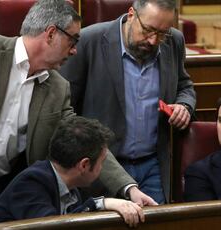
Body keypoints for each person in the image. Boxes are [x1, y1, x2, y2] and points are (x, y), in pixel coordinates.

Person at [0, 0, 152, 227]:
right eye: (73, 41)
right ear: (50, 34)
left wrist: (128, 188)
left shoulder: (58, 87)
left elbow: (84, 140)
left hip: (5, 187)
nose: (75, 51)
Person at [59, 0, 196, 204]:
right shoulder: (90, 41)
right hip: (100, 166)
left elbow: (184, 86)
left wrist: (184, 106)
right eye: (148, 30)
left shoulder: (174, 40)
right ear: (131, 14)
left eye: (162, 33)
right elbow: (67, 107)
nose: (153, 40)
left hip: (153, 165)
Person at [0, 117, 145, 227]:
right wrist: (102, 203)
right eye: (102, 162)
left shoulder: (72, 187)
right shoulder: (32, 182)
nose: (102, 169)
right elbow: (52, 227)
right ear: (84, 165)